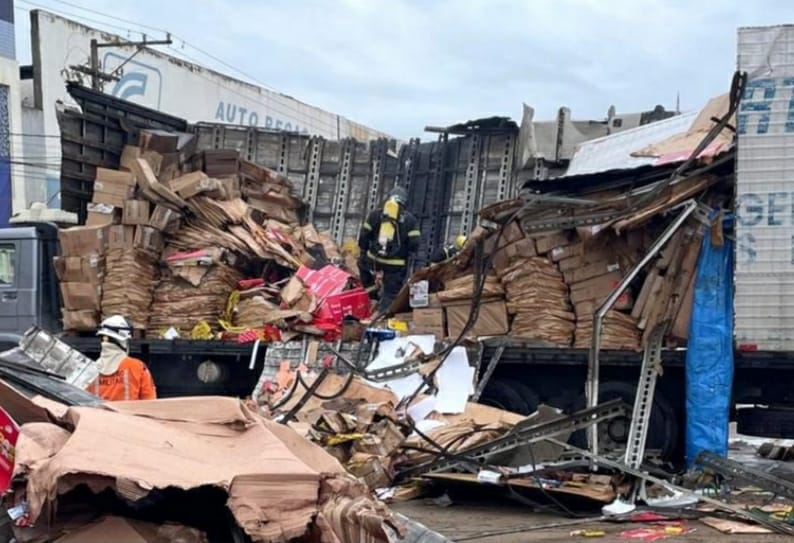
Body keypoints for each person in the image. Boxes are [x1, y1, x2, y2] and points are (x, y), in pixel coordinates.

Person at [358, 186, 420, 311]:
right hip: (395, 265)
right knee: (391, 293)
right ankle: (382, 317)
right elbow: (414, 244)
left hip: (373, 260)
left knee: (362, 267)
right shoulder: (410, 220)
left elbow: (364, 236)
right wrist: (405, 253)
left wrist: (364, 254)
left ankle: (371, 297)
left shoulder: (375, 214)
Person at [89, 315, 157, 401]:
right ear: (124, 341)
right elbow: (150, 402)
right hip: (128, 415)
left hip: (96, 414)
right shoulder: (137, 367)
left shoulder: (89, 371)